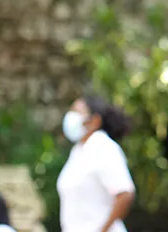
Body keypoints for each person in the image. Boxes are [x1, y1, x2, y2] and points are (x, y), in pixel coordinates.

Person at [56, 95, 136, 232]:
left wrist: (103, 230)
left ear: (95, 120)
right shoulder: (78, 151)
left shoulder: (102, 146)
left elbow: (125, 194)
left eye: (77, 112)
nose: (71, 117)